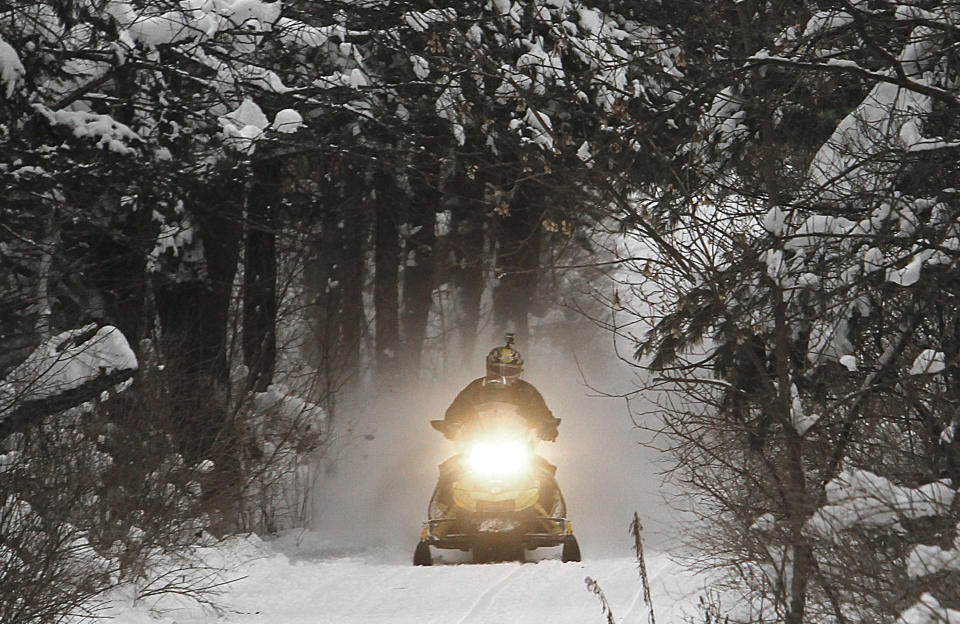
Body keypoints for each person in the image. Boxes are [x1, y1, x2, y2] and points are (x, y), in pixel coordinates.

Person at [436, 333, 560, 442]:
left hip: (518, 447)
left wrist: (547, 427)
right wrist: (453, 425)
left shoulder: (527, 391)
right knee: (451, 467)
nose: (503, 374)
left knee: (542, 468)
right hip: (476, 444)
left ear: (519, 371)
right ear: (489, 367)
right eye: (497, 369)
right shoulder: (476, 388)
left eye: (509, 371)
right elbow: (459, 407)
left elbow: (541, 412)